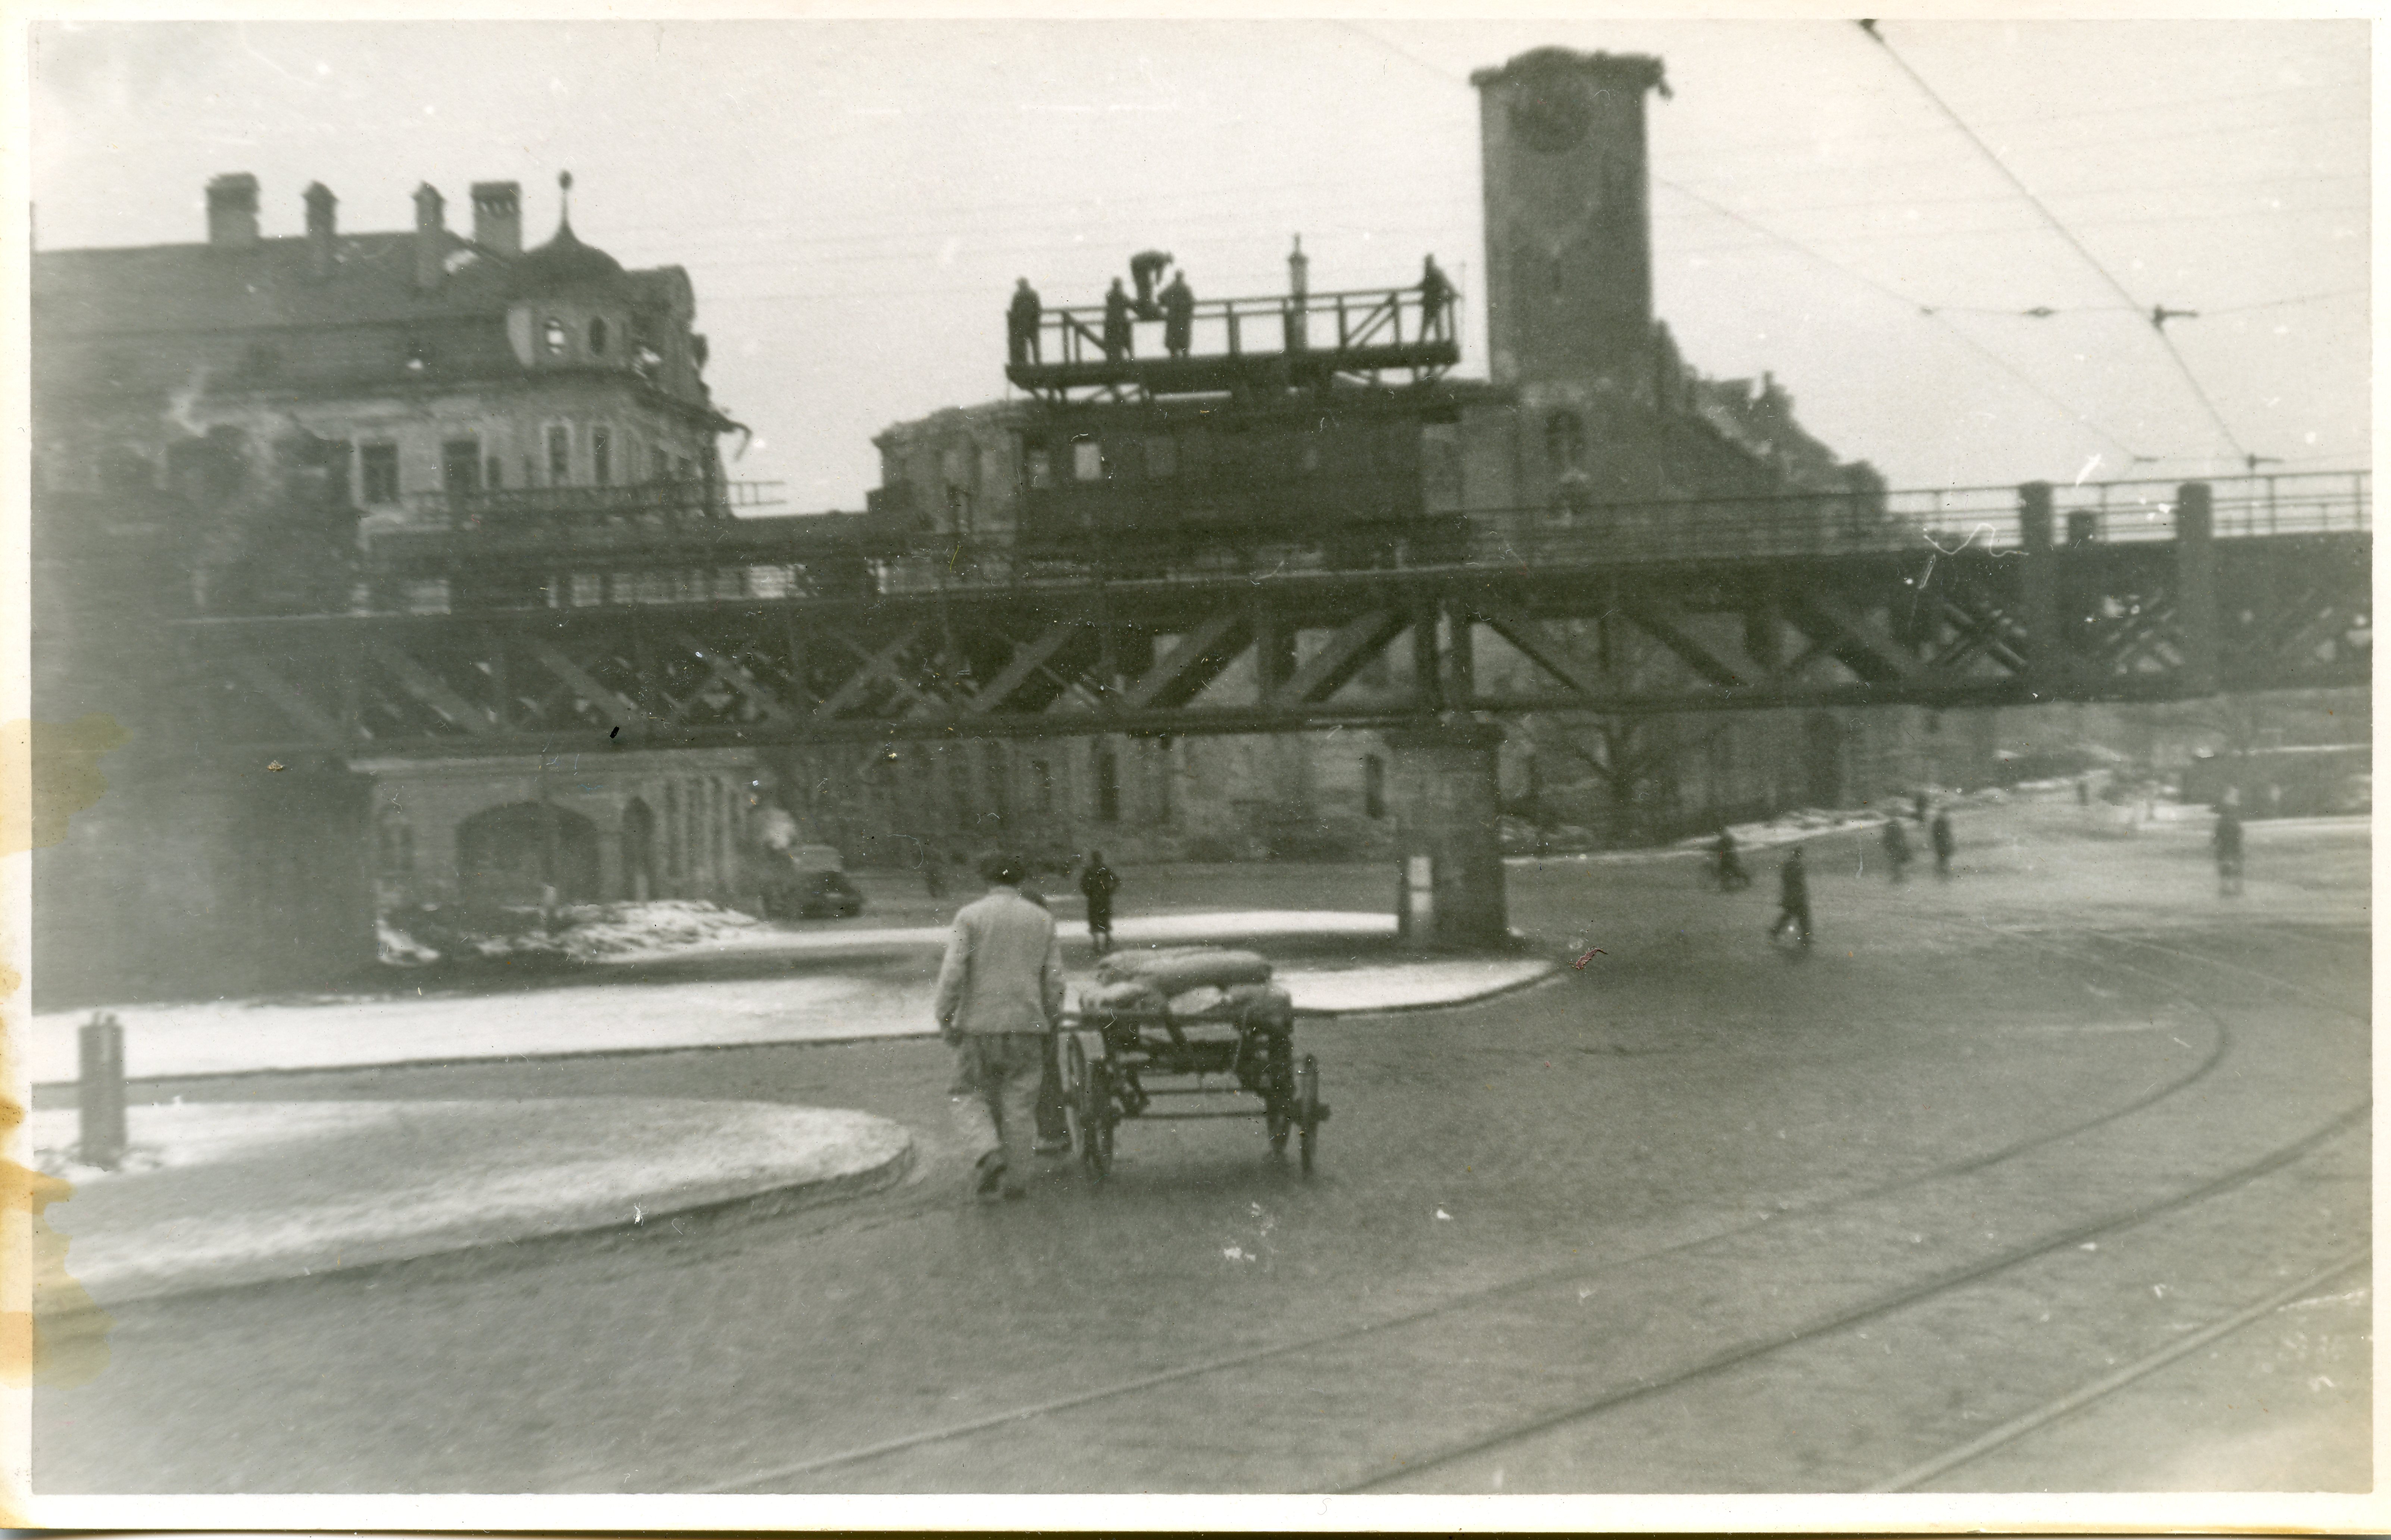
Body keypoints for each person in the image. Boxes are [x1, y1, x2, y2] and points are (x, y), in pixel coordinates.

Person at [934, 853, 1066, 1200]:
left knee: (966, 1092)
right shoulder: (1042, 919)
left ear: (986, 879)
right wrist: (1051, 1017)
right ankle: (1017, 1181)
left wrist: (945, 1015)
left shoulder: (970, 917)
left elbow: (953, 973)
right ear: (1020, 879)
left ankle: (987, 1151)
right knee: (1020, 1104)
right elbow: (1054, 979)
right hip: (1027, 1023)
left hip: (979, 1025)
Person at [1767, 846, 1812, 948]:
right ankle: (1805, 938)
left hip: (1790, 896)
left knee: (1789, 915)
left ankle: (1776, 931)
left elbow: (1785, 879)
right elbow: (1800, 882)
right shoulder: (1798, 866)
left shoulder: (1788, 864)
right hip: (1798, 896)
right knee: (1803, 917)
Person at [1080, 849, 1121, 952]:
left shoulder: (1090, 870)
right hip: (1104, 898)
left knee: (1095, 919)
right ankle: (1106, 940)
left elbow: (1083, 884)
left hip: (1094, 898)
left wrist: (1088, 893)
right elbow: (1117, 881)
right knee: (1104, 918)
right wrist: (1110, 891)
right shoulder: (1105, 870)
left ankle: (1097, 943)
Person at [1159, 270, 1195, 360]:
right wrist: (1188, 310)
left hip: (1173, 316)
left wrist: (1168, 304)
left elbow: (1161, 297)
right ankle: (1185, 355)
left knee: (1173, 336)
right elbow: (1191, 302)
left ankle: (1173, 355)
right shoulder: (1186, 288)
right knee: (1184, 336)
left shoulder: (1171, 288)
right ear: (1182, 277)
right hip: (1183, 317)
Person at [1006, 278, 1043, 365]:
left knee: (1027, 342)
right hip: (1027, 324)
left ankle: (1029, 362)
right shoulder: (1025, 295)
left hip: (1027, 324)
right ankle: (1034, 362)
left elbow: (1038, 309)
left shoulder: (1022, 295)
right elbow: (1038, 309)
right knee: (1030, 343)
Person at [1129, 249, 1174, 318]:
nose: (1167, 264)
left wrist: (1155, 283)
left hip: (1136, 264)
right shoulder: (1162, 259)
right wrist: (1158, 283)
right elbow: (1159, 274)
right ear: (1168, 259)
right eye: (1169, 262)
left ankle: (1143, 303)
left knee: (1143, 286)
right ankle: (1145, 306)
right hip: (1140, 266)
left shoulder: (1160, 255)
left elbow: (1157, 273)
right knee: (1146, 286)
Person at [2213, 802, 2245, 896]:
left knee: (2224, 867)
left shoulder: (2221, 823)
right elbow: (2240, 833)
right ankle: (2238, 887)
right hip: (2235, 847)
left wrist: (2214, 842)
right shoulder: (2235, 822)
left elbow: (2216, 837)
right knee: (2237, 867)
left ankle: (2225, 887)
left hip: (2224, 847)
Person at [1418, 255, 1453, 339]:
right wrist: (1453, 292)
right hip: (1434, 302)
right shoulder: (1434, 272)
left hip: (1433, 302)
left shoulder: (1433, 272)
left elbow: (1445, 283)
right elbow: (1447, 284)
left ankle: (1423, 342)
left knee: (1429, 324)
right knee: (1434, 323)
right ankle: (1437, 340)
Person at [1102, 278, 1135, 361]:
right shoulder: (1122, 296)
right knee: (1126, 340)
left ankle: (1112, 359)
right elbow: (1131, 304)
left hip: (1111, 323)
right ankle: (1131, 358)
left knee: (1112, 342)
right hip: (1121, 322)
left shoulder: (1110, 296)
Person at [1710, 826, 1750, 892]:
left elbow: (1721, 850)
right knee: (1733, 871)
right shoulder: (1729, 838)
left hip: (1727, 858)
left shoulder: (1723, 840)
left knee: (1728, 871)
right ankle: (1726, 886)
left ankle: (1725, 887)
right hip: (1730, 858)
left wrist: (1720, 857)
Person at [1880, 816, 1912, 883]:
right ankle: (1899, 877)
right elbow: (1901, 838)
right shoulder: (1896, 828)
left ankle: (1898, 876)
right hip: (1896, 847)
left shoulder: (1890, 828)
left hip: (1893, 847)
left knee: (1895, 863)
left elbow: (1886, 839)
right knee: (1897, 863)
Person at [1930, 806, 1955, 879]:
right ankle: (1942, 870)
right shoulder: (1938, 822)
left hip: (1944, 842)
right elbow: (1935, 833)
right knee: (1942, 857)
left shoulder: (1944, 822)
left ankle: (1942, 870)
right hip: (1941, 842)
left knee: (1944, 857)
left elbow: (1948, 833)